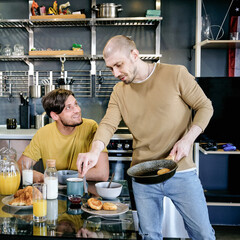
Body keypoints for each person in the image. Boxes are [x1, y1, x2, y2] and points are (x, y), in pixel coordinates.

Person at [76, 35, 216, 240]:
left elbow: (205, 106)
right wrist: (94, 151)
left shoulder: (176, 74)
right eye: (110, 68)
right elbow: (108, 124)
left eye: (118, 65)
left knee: (203, 234)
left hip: (180, 169)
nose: (115, 73)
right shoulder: (119, 91)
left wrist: (188, 139)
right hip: (142, 175)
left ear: (134, 55)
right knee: (150, 235)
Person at [18, 88, 109, 183]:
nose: (77, 110)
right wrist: (40, 177)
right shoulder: (43, 134)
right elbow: (20, 166)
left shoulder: (91, 127)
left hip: (85, 191)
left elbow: (102, 174)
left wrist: (58, 176)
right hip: (54, 192)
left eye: (76, 104)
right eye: (68, 107)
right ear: (55, 116)